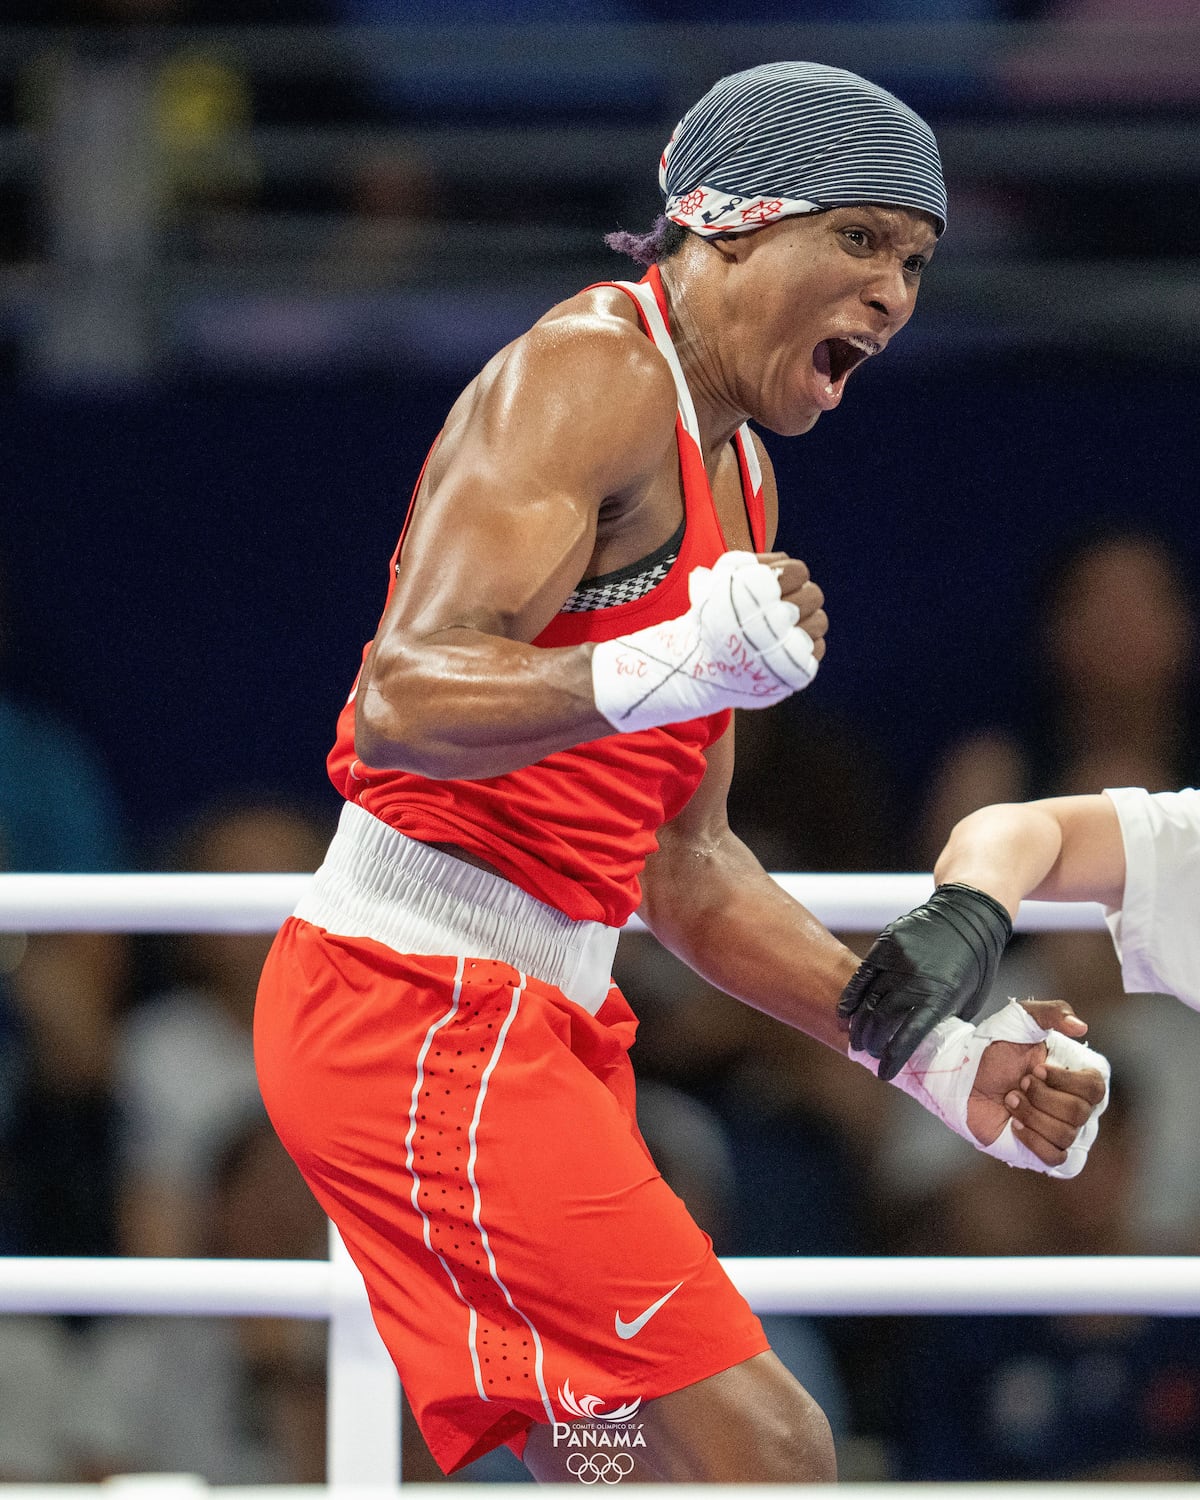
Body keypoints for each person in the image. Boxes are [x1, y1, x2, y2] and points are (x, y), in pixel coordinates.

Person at [254, 61, 1109, 1483]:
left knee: (637, 1477)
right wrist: (666, 666)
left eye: (913, 260)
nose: (894, 294)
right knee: (768, 1455)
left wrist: (936, 1054)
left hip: (534, 1023)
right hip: (418, 1011)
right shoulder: (589, 371)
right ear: (728, 222)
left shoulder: (748, 480)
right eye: (858, 239)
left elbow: (684, 869)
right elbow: (400, 696)